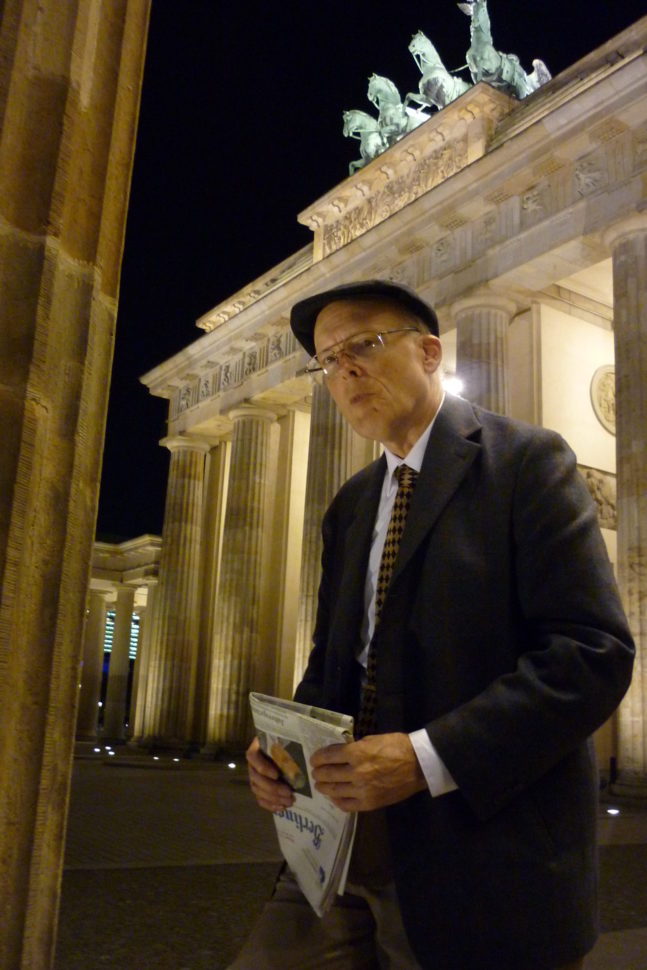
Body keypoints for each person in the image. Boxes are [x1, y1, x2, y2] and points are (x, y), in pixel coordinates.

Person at [230, 280, 634, 970]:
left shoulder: (526, 463)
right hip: (337, 839)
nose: (343, 369)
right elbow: (334, 659)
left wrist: (425, 757)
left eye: (363, 344)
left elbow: (590, 653)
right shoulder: (351, 504)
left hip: (483, 852)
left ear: (427, 352)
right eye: (327, 360)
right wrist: (282, 749)